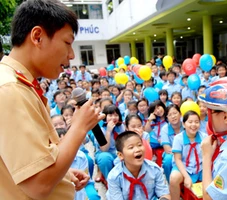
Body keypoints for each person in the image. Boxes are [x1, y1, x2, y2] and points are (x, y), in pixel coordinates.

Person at [0, 0, 104, 199]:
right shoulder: (9, 88)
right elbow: (38, 185)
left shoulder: (19, 84)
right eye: (67, 43)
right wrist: (79, 126)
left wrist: (62, 175)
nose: (71, 55)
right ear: (38, 37)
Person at [106, 131, 170, 200]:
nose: (138, 149)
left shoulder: (154, 169)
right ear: (121, 155)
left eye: (139, 145)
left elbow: (164, 194)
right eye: (131, 147)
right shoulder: (114, 177)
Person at [169, 111, 203, 200]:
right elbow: (178, 159)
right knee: (174, 178)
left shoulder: (204, 137)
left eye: (196, 122)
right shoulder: (178, 138)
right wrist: (186, 177)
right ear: (184, 124)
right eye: (190, 122)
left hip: (200, 167)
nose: (194, 125)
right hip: (183, 167)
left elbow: (206, 157)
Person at [161, 104, 184, 182]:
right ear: (167, 117)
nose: (173, 116)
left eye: (175, 113)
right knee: (167, 160)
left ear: (180, 114)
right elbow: (167, 149)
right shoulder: (165, 129)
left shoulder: (186, 125)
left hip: (186, 151)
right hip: (171, 154)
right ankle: (170, 182)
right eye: (170, 115)